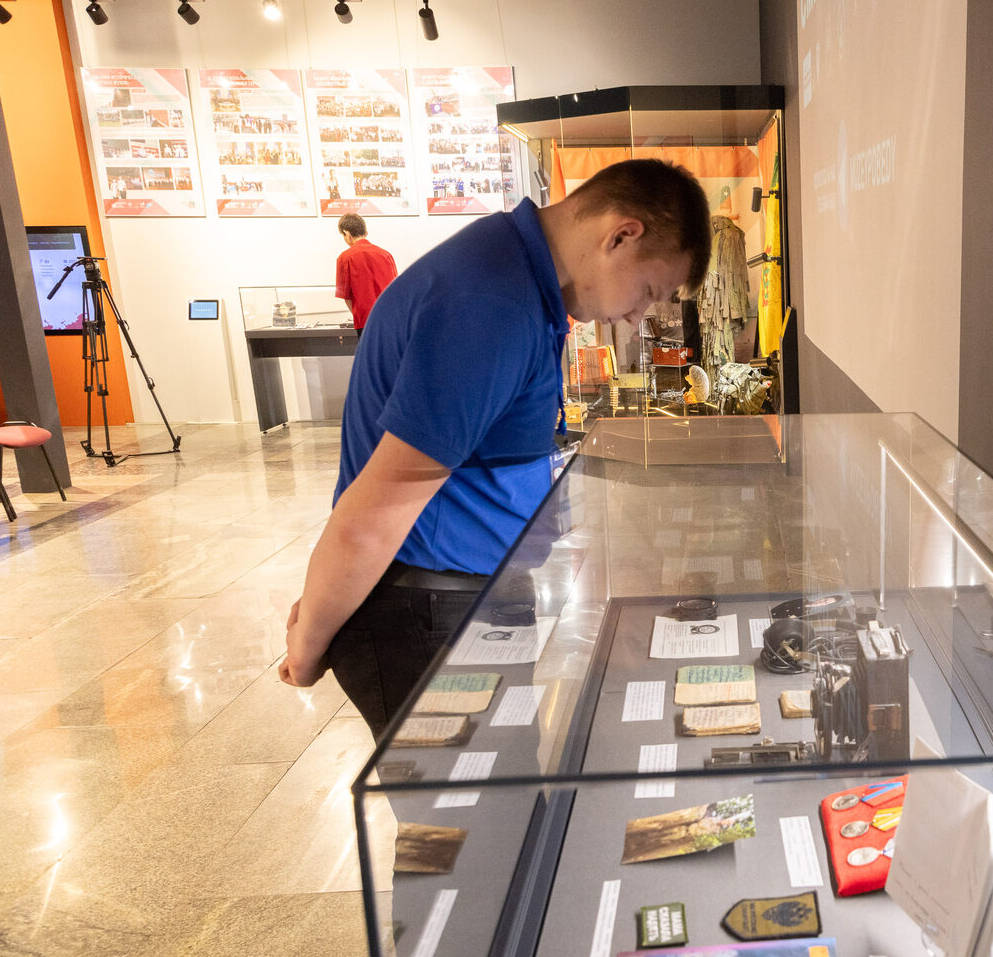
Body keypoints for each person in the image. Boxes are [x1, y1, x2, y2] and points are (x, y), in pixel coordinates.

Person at [279, 159, 712, 735]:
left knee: (506, 782)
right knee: (474, 792)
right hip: (428, 611)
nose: (636, 318)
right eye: (647, 292)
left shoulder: (517, 279)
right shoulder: (492, 303)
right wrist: (309, 645)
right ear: (621, 235)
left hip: (466, 598)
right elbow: (373, 518)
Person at [334, 213, 398, 330]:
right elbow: (395, 290)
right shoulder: (386, 255)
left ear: (347, 233)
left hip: (365, 321)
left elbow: (346, 297)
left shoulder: (344, 258)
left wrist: (359, 316)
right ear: (366, 233)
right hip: (390, 319)